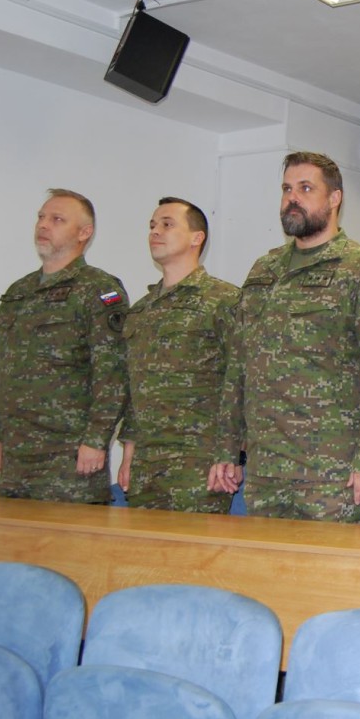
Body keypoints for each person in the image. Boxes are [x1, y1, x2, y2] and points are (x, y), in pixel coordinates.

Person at [209, 152, 360, 522]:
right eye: (286, 189)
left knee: (329, 561)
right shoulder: (265, 270)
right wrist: (227, 448)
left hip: (332, 473)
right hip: (266, 468)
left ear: (334, 198)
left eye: (306, 188)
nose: (292, 198)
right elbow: (239, 365)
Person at [0, 189, 128, 503]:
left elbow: (113, 373)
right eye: (41, 217)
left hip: (69, 457)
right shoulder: (19, 292)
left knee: (67, 535)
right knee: (10, 533)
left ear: (84, 233)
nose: (44, 225)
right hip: (16, 456)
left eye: (57, 219)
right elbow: (0, 367)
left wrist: (96, 440)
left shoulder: (98, 289)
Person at [118, 197, 239, 513]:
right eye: (152, 226)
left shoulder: (224, 300)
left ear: (196, 238)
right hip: (146, 465)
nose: (155, 232)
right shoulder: (142, 310)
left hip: (198, 463)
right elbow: (134, 388)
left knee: (194, 545)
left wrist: (230, 455)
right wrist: (128, 455)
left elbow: (240, 380)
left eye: (167, 224)